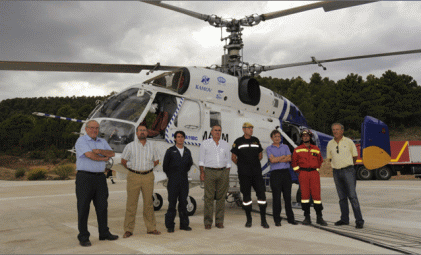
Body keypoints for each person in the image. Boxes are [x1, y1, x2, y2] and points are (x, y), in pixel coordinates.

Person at [75, 120, 118, 247]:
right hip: (85, 178)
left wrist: (99, 150)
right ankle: (83, 236)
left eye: (97, 128)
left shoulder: (102, 142)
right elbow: (89, 155)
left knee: (102, 206)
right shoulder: (81, 141)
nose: (95, 130)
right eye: (92, 128)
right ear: (86, 129)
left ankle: (104, 233)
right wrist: (103, 158)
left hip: (100, 178)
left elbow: (112, 153)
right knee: (83, 208)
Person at [121, 124, 161, 238]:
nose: (142, 132)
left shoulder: (152, 146)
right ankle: (128, 229)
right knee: (131, 204)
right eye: (140, 130)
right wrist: (132, 169)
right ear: (137, 133)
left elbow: (156, 160)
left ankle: (151, 228)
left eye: (144, 130)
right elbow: (123, 161)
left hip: (148, 176)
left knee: (148, 204)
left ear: (147, 133)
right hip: (133, 176)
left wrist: (146, 167)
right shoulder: (130, 146)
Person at [231, 122, 269, 229]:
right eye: (249, 128)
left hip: (256, 173)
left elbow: (260, 155)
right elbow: (233, 157)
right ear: (243, 129)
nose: (251, 130)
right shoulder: (238, 141)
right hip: (244, 175)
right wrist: (242, 166)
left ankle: (263, 220)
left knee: (261, 196)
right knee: (246, 197)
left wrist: (253, 164)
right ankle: (249, 220)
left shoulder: (255, 140)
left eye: (252, 128)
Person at [327, 123, 364, 229]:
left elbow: (355, 156)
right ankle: (344, 219)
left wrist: (347, 166)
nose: (335, 131)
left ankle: (359, 220)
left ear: (342, 131)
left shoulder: (349, 142)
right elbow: (330, 158)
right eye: (333, 129)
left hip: (348, 171)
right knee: (342, 197)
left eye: (337, 129)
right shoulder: (330, 143)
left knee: (352, 196)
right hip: (336, 172)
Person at [291, 129, 327, 226]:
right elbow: (294, 163)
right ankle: (307, 217)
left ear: (310, 137)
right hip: (303, 174)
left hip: (314, 174)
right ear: (301, 138)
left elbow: (320, 161)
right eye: (303, 136)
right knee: (305, 197)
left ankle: (319, 217)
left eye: (307, 136)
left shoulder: (316, 148)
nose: (305, 137)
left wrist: (315, 170)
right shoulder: (297, 149)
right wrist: (300, 172)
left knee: (317, 197)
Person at [199, 124, 231, 230]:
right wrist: (202, 173)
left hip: (223, 172)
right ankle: (208, 222)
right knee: (209, 198)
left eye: (219, 130)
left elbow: (228, 161)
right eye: (215, 130)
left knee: (221, 198)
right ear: (211, 132)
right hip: (209, 172)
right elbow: (201, 160)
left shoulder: (225, 144)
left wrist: (226, 173)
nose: (217, 132)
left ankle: (219, 221)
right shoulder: (205, 144)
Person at [163, 131, 193, 233]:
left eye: (182, 137)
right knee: (172, 204)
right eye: (178, 137)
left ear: (184, 138)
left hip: (184, 181)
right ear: (175, 139)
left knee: (183, 203)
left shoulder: (187, 151)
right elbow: (165, 166)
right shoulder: (170, 151)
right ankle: (170, 226)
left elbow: (189, 164)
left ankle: (184, 225)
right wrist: (172, 175)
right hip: (173, 181)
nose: (180, 139)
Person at [266, 129, 297, 226]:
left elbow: (289, 158)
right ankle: (277, 219)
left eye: (279, 137)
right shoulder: (269, 148)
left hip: (286, 173)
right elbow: (272, 160)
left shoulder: (286, 146)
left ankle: (290, 219)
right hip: (275, 174)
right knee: (276, 197)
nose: (277, 138)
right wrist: (283, 158)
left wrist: (277, 159)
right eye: (275, 137)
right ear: (272, 138)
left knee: (287, 197)